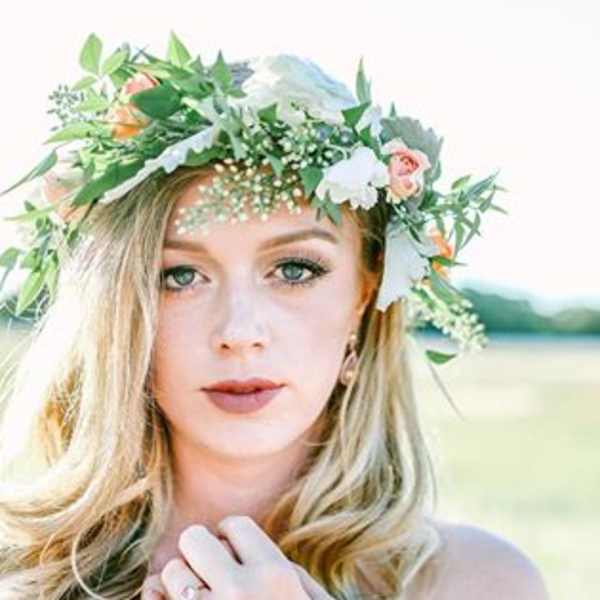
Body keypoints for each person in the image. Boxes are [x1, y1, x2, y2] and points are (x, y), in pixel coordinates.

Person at [0, 33, 549, 599]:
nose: (240, 334)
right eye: (180, 276)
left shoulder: (481, 583)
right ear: (120, 306)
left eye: (293, 270)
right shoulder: (18, 579)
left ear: (364, 297)